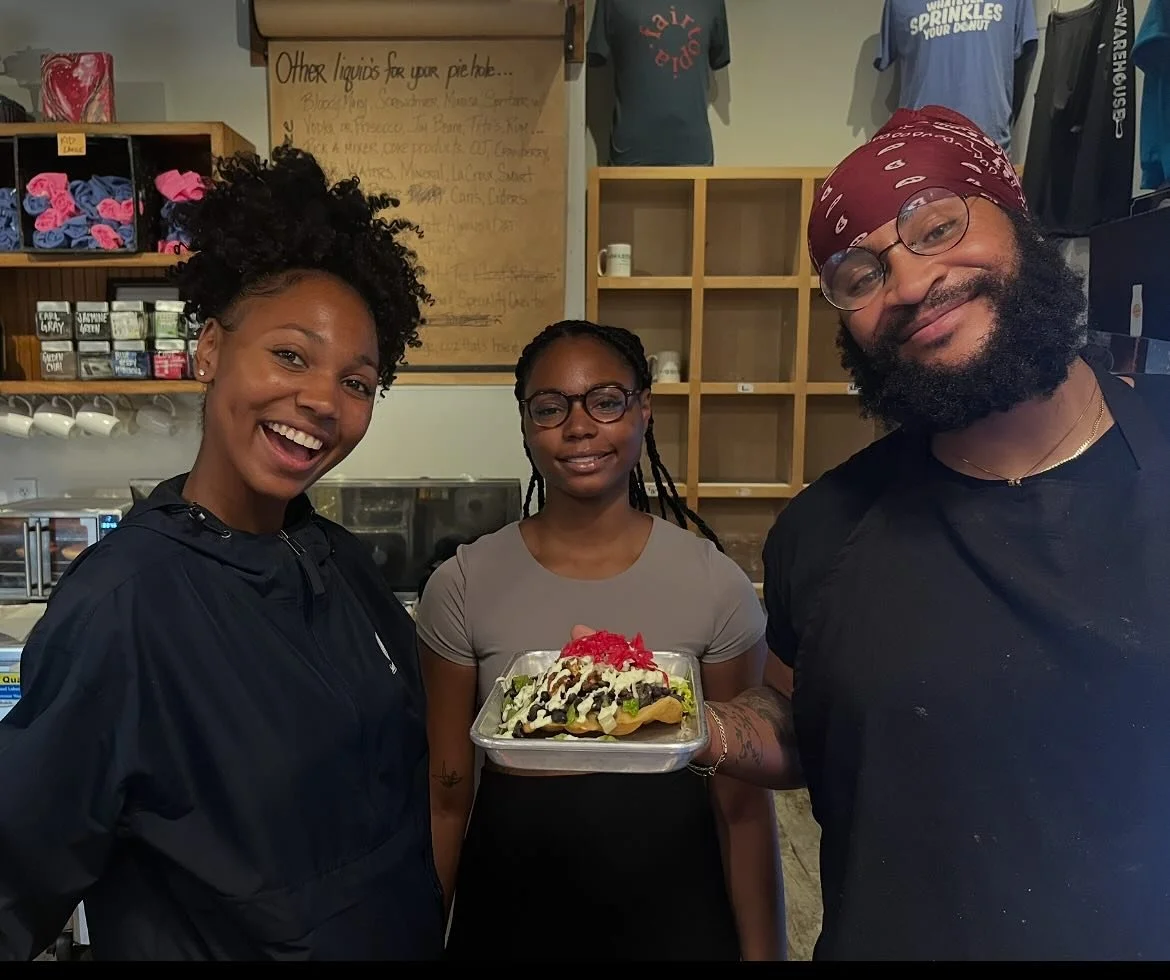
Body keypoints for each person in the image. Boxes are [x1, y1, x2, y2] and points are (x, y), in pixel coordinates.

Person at [674, 105, 1170, 960]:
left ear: (1016, 218)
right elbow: (801, 715)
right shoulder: (822, 529)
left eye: (937, 227)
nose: (907, 285)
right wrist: (688, 723)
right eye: (859, 275)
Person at [0, 143, 445, 960]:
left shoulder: (343, 566)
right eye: (290, 355)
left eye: (356, 381)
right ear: (209, 349)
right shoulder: (126, 608)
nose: (321, 400)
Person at [415, 319, 783, 961]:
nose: (578, 426)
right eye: (549, 407)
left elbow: (743, 806)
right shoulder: (462, 585)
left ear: (644, 410)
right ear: (526, 424)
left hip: (676, 917)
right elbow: (447, 797)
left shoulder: (714, 585)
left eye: (606, 401)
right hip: (510, 917)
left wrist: (764, 954)